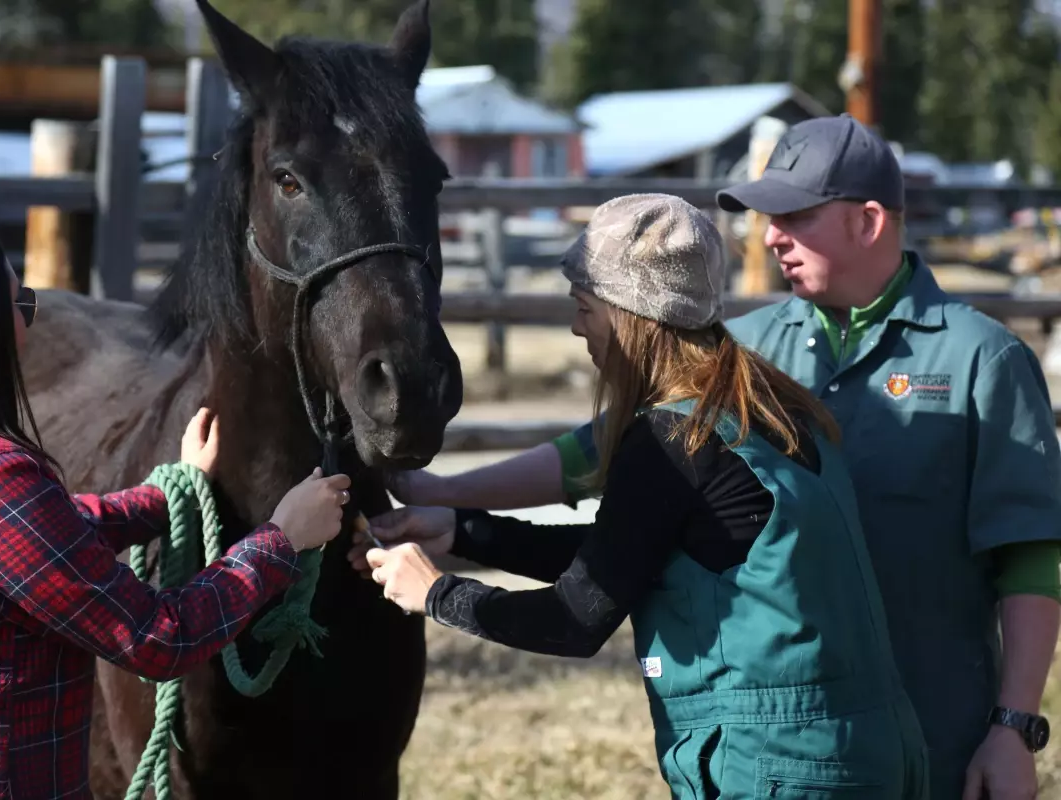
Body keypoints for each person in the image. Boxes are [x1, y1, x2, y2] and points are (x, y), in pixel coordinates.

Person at [384, 115, 1061, 800]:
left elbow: (580, 612)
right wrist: (455, 512)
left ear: (870, 220)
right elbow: (628, 520)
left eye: (795, 214)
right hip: (850, 737)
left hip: (871, 736)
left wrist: (438, 594)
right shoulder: (756, 366)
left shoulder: (981, 358)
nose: (771, 236)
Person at [350, 193, 930, 798]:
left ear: (632, 313)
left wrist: (437, 594)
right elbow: (631, 549)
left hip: (784, 769)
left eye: (585, 307)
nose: (577, 327)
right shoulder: (769, 407)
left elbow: (575, 619)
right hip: (872, 747)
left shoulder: (672, 440)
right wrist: (464, 530)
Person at [0, 210, 352, 799]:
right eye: (21, 308)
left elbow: (45, 538)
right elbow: (159, 637)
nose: (27, 325)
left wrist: (165, 493)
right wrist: (280, 539)